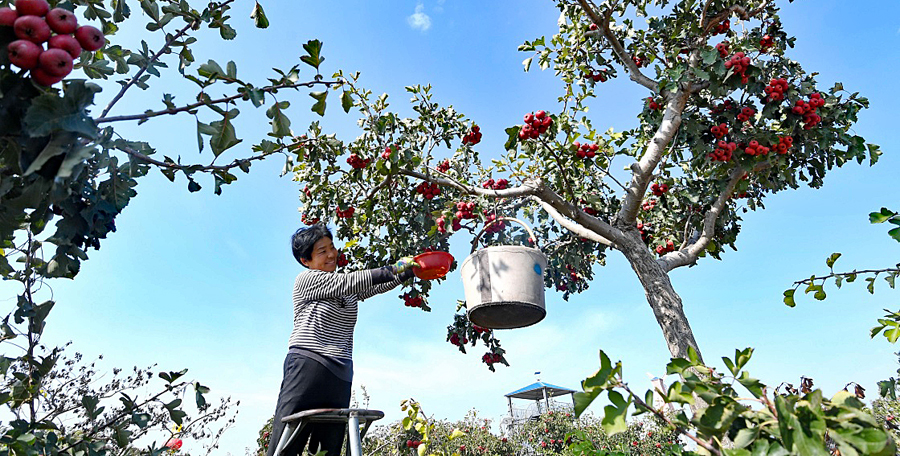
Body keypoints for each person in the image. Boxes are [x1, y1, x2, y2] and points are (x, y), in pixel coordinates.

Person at [266, 224, 418, 456]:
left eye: (332, 247)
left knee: (328, 447)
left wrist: (410, 271)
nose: (331, 255)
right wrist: (396, 267)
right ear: (306, 260)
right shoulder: (306, 280)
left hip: (339, 371)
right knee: (286, 444)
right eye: (321, 251)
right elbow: (354, 281)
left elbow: (374, 285)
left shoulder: (345, 287)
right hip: (308, 365)